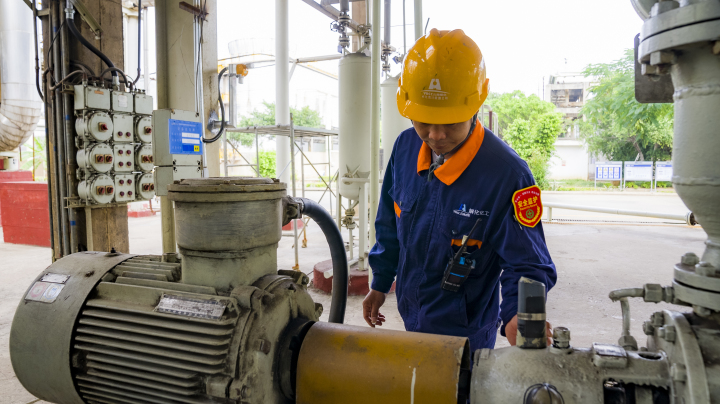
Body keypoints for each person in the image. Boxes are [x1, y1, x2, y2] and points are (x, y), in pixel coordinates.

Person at [362, 28, 557, 352]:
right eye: (423, 121)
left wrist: (519, 315)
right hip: (412, 315)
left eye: (451, 123)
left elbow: (529, 263)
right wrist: (380, 283)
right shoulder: (405, 148)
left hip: (467, 334)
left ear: (475, 106)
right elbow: (389, 224)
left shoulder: (507, 174)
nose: (436, 136)